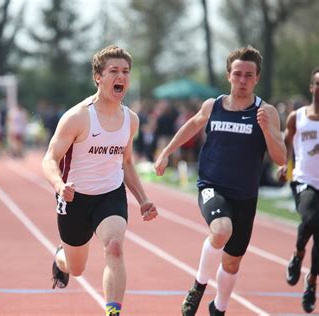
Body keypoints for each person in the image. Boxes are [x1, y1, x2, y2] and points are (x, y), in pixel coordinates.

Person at [155, 46, 286, 315]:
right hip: (212, 185)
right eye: (237, 74)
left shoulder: (267, 112)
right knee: (221, 230)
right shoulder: (213, 106)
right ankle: (198, 286)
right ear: (228, 75)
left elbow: (281, 157)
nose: (242, 80)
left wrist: (265, 129)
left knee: (232, 262)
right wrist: (166, 153)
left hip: (245, 195)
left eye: (248, 75)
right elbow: (191, 125)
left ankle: (219, 308)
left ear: (257, 78)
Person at [41, 45, 158, 316]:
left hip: (110, 194)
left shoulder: (131, 119)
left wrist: (143, 199)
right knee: (76, 268)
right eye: (114, 71)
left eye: (126, 72)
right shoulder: (78, 117)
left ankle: (113, 312)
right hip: (75, 198)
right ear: (98, 77)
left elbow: (126, 162)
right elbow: (49, 158)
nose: (122, 77)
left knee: (114, 247)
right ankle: (61, 259)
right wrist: (60, 186)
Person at [277, 67, 319, 313]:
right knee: (311, 217)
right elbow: (286, 144)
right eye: (318, 83)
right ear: (312, 87)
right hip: (304, 180)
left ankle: (312, 282)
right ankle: (297, 253)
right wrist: (283, 165)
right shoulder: (297, 117)